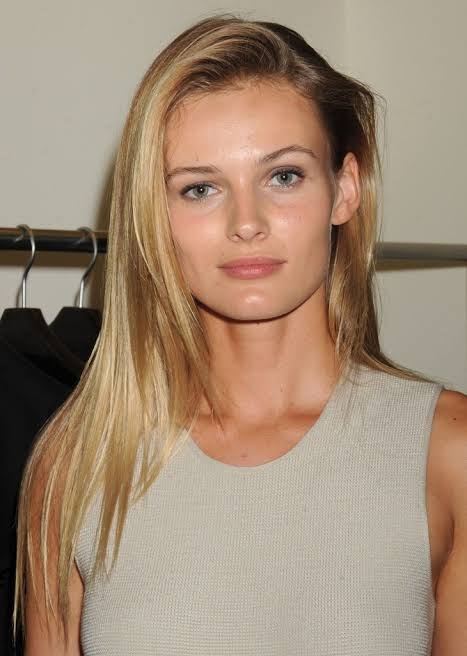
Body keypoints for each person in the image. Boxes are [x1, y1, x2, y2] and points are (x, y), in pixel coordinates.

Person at [13, 13, 467, 655]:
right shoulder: (78, 463)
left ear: (344, 189)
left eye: (284, 176)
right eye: (200, 188)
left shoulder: (447, 454)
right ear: (153, 216)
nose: (246, 222)